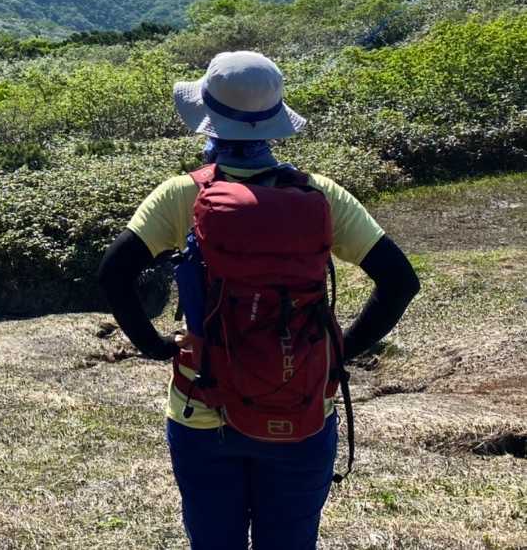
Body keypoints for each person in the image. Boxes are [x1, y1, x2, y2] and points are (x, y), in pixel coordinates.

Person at [98, 50, 420, 550]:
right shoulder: (321, 195)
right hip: (302, 404)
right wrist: (339, 351)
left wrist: (154, 346)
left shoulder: (181, 195)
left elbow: (114, 273)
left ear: (208, 119)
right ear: (274, 122)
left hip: (202, 407)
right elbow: (399, 282)